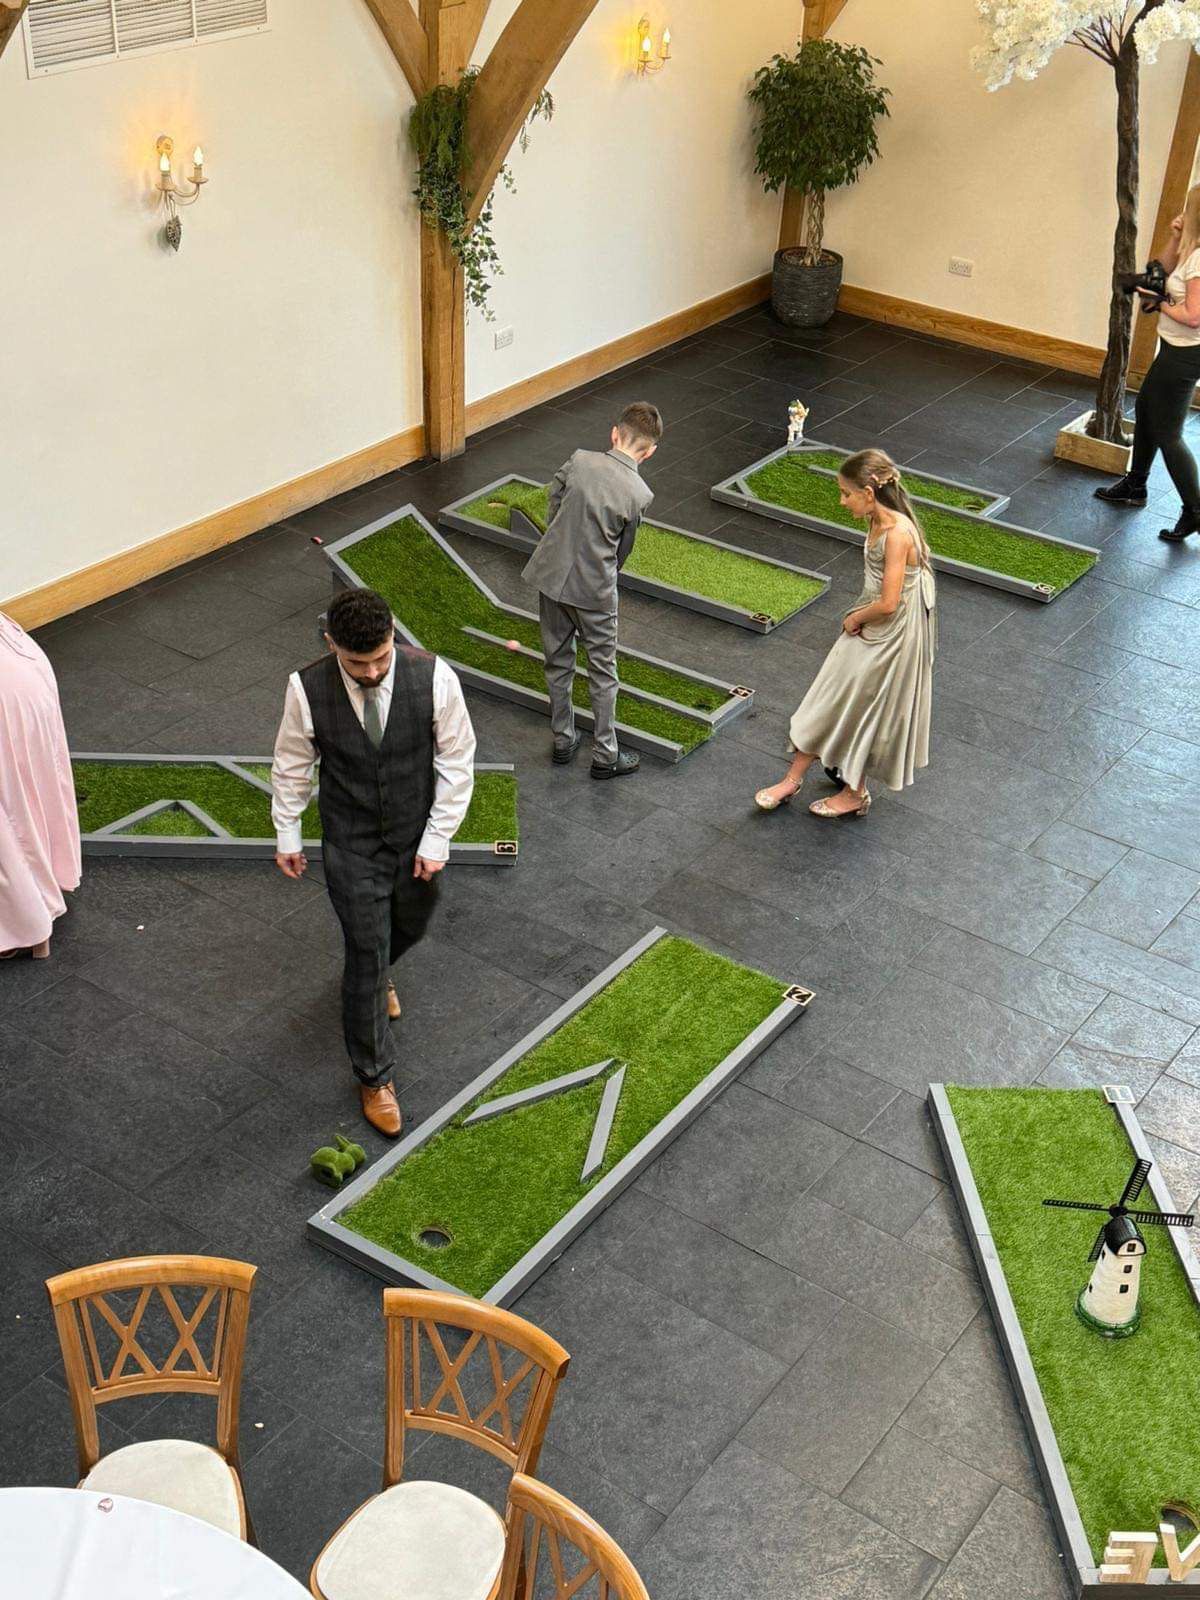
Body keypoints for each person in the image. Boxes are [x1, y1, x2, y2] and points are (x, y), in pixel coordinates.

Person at [271, 588, 476, 1136]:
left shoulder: (435, 677)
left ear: (393, 637)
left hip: (416, 837)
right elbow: (292, 763)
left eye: (381, 657)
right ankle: (374, 1075)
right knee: (364, 953)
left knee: (411, 924)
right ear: (331, 643)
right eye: (357, 662)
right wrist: (287, 831)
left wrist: (436, 841)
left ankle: (383, 969)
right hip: (351, 841)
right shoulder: (305, 687)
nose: (372, 671)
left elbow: (457, 762)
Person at [754, 449, 936, 820]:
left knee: (869, 709)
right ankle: (792, 779)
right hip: (874, 623)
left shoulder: (898, 533)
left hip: (892, 634)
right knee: (831, 694)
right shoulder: (876, 521)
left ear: (868, 494)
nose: (841, 500)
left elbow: (888, 603)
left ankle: (856, 793)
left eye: (846, 493)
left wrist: (854, 618)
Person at [521, 402, 663, 779]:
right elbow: (624, 548)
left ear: (614, 434)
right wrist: (606, 569)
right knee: (603, 670)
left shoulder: (580, 460)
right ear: (649, 451)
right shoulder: (639, 493)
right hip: (596, 591)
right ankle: (605, 754)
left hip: (551, 577)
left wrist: (558, 540)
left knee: (557, 660)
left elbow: (554, 497)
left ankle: (563, 738)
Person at [1095, 182, 1200, 542]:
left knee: (1169, 433)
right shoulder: (1191, 250)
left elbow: (1193, 315)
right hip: (1174, 349)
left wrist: (1156, 298)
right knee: (1145, 409)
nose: (1182, 214)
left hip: (1187, 354)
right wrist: (1175, 238)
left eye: (1188, 210)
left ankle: (1194, 511)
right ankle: (1135, 485)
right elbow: (1158, 269)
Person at [0, 612, 81, 960]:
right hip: (19, 664)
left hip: (10, 688)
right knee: (21, 794)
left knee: (12, 804)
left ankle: (21, 917)